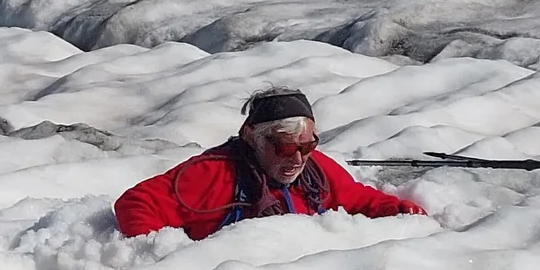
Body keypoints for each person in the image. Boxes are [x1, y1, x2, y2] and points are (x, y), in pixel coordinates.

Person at [113, 87, 429, 242]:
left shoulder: (316, 171)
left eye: (307, 145)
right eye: (285, 147)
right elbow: (136, 203)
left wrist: (402, 213)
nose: (298, 159)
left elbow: (358, 200)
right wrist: (168, 260)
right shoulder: (212, 174)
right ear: (251, 137)